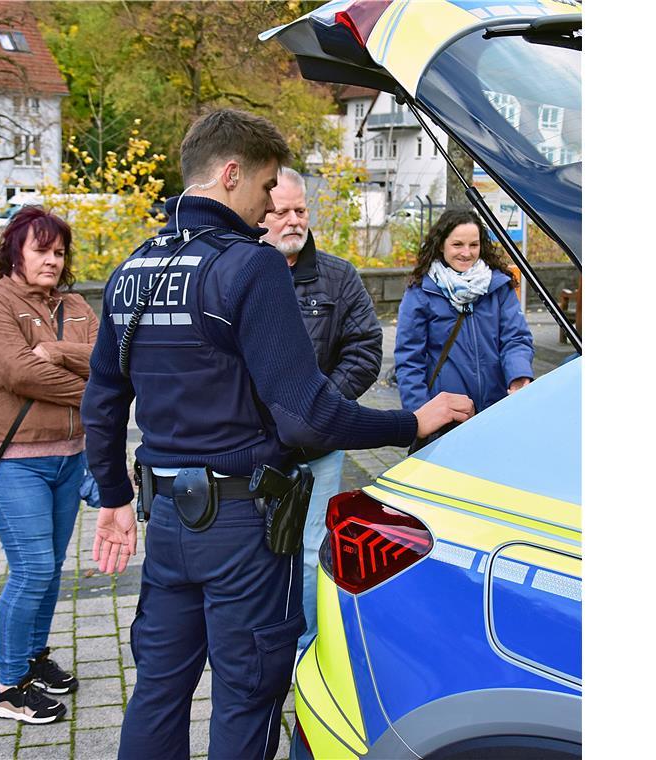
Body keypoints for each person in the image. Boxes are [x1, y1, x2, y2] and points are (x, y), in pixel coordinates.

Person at [82, 108, 474, 760]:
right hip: (242, 524)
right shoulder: (249, 266)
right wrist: (412, 421)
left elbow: (101, 401)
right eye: (267, 187)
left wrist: (114, 499)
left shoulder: (134, 269)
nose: (270, 206)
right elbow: (307, 416)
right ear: (232, 173)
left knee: (158, 687)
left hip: (168, 523)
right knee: (247, 692)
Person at [0, 205, 99, 725]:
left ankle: (34, 659)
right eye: (42, 250)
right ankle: (9, 685)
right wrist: (94, 396)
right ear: (15, 251)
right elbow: (19, 374)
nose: (53, 261)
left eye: (60, 252)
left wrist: (58, 351)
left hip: (69, 459)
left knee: (51, 568)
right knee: (33, 569)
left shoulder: (77, 306)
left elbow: (111, 357)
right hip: (14, 463)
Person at [259, 166, 381, 658]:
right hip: (251, 446)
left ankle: (306, 652)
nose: (294, 221)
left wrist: (320, 407)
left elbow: (366, 348)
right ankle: (260, 647)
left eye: (301, 210)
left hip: (318, 445)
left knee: (311, 553)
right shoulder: (238, 276)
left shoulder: (338, 275)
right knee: (254, 553)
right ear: (259, 215)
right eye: (281, 211)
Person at [394, 207, 535, 422]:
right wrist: (422, 414)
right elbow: (409, 360)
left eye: (474, 245)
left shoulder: (498, 287)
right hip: (446, 415)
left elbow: (515, 339)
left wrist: (518, 375)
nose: (466, 253)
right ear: (441, 245)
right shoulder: (421, 292)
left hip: (496, 409)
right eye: (457, 244)